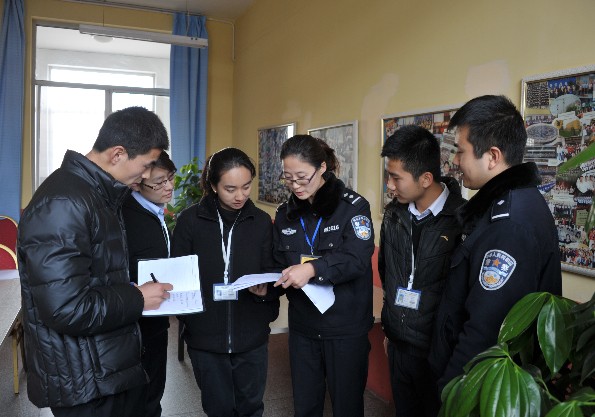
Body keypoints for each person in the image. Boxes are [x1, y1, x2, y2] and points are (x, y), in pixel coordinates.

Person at [17, 106, 174, 417]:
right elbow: (65, 308)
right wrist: (137, 297)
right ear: (117, 154)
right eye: (144, 166)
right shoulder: (64, 203)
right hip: (85, 379)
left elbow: (93, 278)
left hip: (103, 366)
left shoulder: (96, 194)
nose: (145, 176)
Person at [428, 95, 563, 395]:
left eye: (461, 152)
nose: (456, 161)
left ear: (492, 156)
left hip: (480, 391)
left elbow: (485, 331)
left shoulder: (509, 225)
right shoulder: (509, 204)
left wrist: (449, 394)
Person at [171, 147, 279, 417]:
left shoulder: (262, 222)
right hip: (206, 337)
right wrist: (192, 321)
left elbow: (274, 272)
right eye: (230, 188)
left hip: (251, 335)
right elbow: (177, 278)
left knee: (252, 407)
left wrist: (265, 292)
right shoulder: (190, 221)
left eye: (246, 186)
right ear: (213, 185)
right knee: (217, 409)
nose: (240, 196)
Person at [272, 135, 374, 417]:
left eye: (302, 178)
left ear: (323, 167)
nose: (295, 186)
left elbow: (357, 259)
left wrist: (313, 269)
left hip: (345, 328)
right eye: (288, 178)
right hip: (304, 327)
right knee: (305, 405)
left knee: (346, 405)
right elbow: (279, 261)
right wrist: (267, 284)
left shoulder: (353, 207)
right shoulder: (285, 214)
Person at [378, 125, 466, 417]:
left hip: (438, 352)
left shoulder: (462, 222)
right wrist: (391, 328)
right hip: (399, 344)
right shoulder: (393, 216)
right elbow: (387, 271)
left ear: (426, 178)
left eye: (396, 178)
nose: (389, 185)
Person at [122, 151, 177, 417]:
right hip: (136, 324)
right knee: (141, 400)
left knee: (154, 393)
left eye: (170, 178)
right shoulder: (125, 217)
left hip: (156, 319)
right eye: (158, 182)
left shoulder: (153, 210)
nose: (168, 187)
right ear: (136, 182)